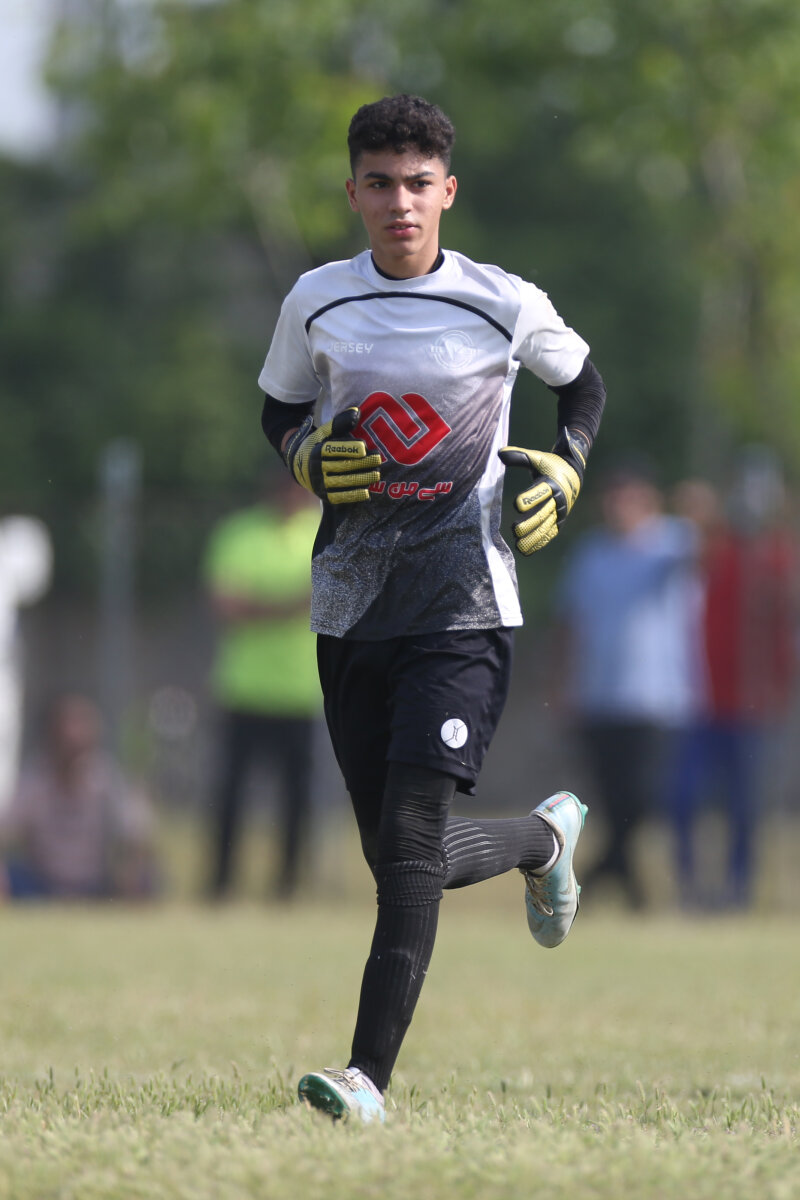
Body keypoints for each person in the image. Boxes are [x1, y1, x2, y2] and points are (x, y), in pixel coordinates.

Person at [258, 94, 606, 1122]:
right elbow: (279, 406)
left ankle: (365, 1080)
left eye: (418, 184)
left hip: (464, 606)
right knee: (400, 857)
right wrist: (304, 454)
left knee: (409, 845)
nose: (399, 203)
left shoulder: (501, 301)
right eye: (380, 184)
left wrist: (569, 465)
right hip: (351, 604)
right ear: (353, 192)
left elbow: (582, 385)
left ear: (447, 191)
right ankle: (542, 841)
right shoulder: (316, 301)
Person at [554, 459, 702, 909]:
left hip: (658, 698)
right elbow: (572, 623)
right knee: (614, 802)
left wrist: (698, 509)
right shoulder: (592, 552)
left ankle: (593, 877)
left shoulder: (673, 541)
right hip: (599, 696)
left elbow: (710, 552)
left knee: (641, 800)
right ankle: (632, 892)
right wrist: (562, 684)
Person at [668, 465, 798, 909]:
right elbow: (691, 548)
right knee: (684, 797)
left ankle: (737, 890)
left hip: (755, 707)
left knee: (746, 806)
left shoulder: (780, 556)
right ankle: (689, 887)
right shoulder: (716, 548)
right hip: (703, 703)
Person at [203, 473, 322, 901]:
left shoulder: (321, 531)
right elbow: (226, 605)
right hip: (245, 689)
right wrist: (291, 604)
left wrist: (261, 605)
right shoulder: (239, 533)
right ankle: (221, 883)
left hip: (299, 691)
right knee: (231, 796)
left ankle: (287, 886)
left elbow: (334, 597)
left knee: (297, 799)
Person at [0, 693, 156, 900]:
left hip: (94, 886)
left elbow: (135, 832)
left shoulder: (104, 778)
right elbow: (6, 829)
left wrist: (131, 867)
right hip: (41, 884)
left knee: (147, 875)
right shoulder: (35, 780)